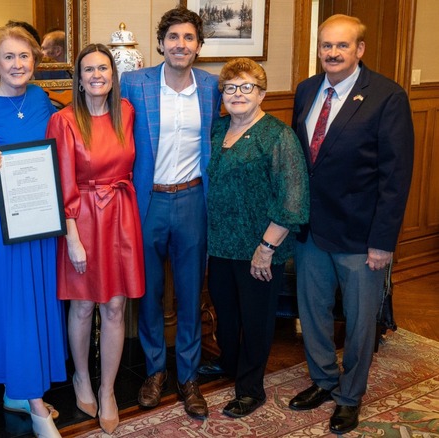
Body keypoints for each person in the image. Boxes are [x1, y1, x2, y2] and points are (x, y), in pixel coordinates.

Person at [289, 14, 414, 434]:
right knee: (314, 311)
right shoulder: (307, 90)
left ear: (359, 50)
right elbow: (301, 162)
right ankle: (324, 380)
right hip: (310, 230)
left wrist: (383, 241)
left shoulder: (386, 96)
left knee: (361, 320)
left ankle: (349, 395)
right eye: (326, 45)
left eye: (342, 46)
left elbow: (395, 178)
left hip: (361, 236)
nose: (332, 53)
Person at [0, 25, 66, 438]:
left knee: (35, 299)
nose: (17, 64)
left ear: (35, 62)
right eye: (8, 57)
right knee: (12, 304)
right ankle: (35, 404)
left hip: (38, 219)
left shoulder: (42, 99)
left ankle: (18, 394)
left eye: (24, 56)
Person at [119, 6, 221, 418]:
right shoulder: (133, 83)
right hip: (147, 202)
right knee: (148, 292)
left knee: (191, 290)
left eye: (189, 38)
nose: (181, 45)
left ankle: (190, 377)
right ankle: (155, 371)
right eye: (173, 38)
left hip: (193, 200)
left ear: (198, 46)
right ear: (160, 43)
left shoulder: (213, 87)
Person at [46, 43, 144, 434]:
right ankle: (82, 378)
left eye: (103, 68)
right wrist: (72, 237)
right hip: (82, 218)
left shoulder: (127, 113)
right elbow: (61, 181)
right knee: (84, 306)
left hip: (120, 215)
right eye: (88, 70)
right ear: (79, 78)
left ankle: (107, 390)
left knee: (116, 307)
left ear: (112, 73)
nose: (97, 75)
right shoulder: (65, 120)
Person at [206, 58, 309, 418]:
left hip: (259, 250)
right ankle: (230, 365)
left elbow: (293, 200)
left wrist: (266, 249)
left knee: (256, 320)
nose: (237, 94)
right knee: (228, 315)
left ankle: (251, 389)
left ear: (261, 93)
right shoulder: (217, 130)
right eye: (230, 88)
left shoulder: (278, 136)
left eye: (246, 87)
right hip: (219, 246)